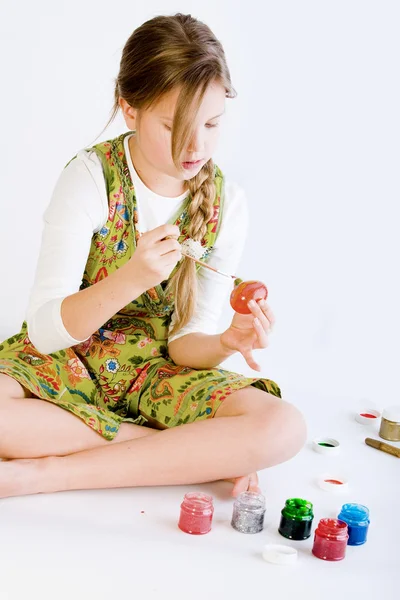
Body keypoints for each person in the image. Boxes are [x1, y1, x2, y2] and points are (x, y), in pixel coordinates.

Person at [0, 13, 306, 499]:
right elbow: (44, 329)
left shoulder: (227, 203)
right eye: (174, 125)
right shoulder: (90, 177)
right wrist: (130, 278)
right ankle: (181, 453)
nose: (196, 145)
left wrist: (226, 339)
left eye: (211, 123)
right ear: (130, 109)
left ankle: (45, 473)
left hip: (155, 373)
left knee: (284, 427)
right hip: (67, 360)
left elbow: (186, 343)